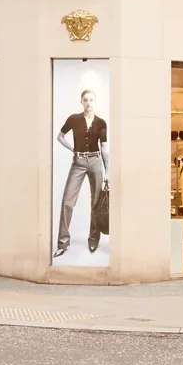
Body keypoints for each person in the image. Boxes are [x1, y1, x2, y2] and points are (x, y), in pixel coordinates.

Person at [54, 89, 109, 257]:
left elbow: (104, 149)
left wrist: (108, 172)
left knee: (96, 201)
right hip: (78, 162)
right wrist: (73, 149)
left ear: (95, 102)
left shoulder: (101, 123)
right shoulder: (74, 119)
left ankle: (93, 239)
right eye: (85, 99)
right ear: (81, 101)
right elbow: (60, 137)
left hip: (95, 161)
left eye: (91, 99)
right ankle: (63, 243)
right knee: (67, 202)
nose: (88, 102)